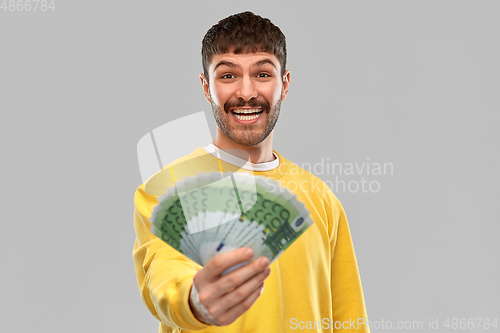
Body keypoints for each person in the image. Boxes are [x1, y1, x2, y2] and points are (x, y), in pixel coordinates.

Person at [133, 11, 370, 333]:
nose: (246, 92)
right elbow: (163, 274)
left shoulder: (321, 197)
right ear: (206, 87)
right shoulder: (168, 187)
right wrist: (195, 302)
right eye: (228, 76)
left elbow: (348, 319)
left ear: (284, 85)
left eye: (262, 74)